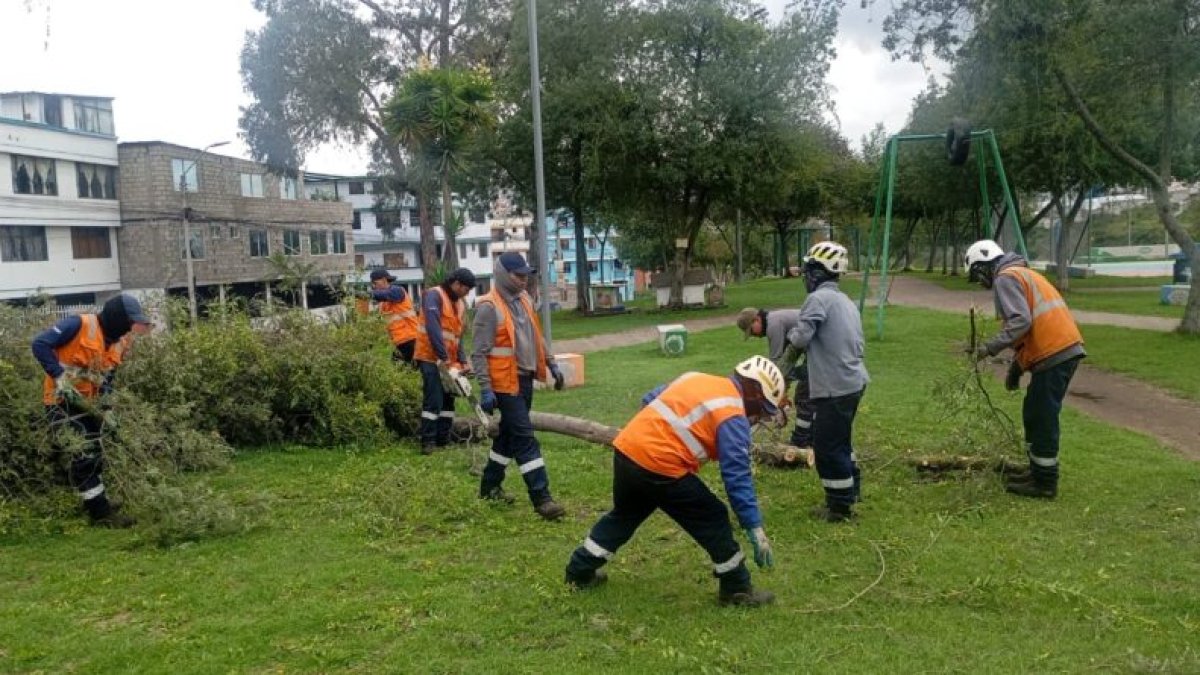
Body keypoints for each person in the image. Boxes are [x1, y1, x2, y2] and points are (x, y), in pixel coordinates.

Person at [564, 356, 786, 607]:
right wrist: (753, 526)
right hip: (660, 466)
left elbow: (650, 399)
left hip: (627, 450)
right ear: (755, 393)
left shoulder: (696, 378)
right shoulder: (732, 413)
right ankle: (737, 589)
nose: (757, 418)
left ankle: (579, 571)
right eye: (761, 410)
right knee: (712, 517)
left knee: (625, 515)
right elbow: (737, 476)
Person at [964, 239, 1085, 499]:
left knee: (1042, 416)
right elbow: (1030, 331)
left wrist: (987, 348)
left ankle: (1044, 484)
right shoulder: (1022, 273)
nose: (980, 281)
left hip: (1055, 353)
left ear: (984, 265)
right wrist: (1016, 368)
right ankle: (1036, 472)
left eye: (977, 273)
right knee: (1034, 412)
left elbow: (1020, 322)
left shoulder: (1005, 278)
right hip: (1060, 350)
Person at [31, 293, 153, 528]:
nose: (130, 327)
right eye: (129, 321)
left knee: (95, 453)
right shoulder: (79, 324)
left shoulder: (121, 342)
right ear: (117, 317)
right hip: (60, 402)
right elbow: (40, 344)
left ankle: (96, 500)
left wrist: (107, 409)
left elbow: (107, 379)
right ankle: (100, 514)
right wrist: (59, 377)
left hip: (90, 404)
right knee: (84, 454)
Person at [471, 252, 567, 521]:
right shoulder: (488, 307)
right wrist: (486, 388)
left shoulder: (525, 299)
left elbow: (536, 335)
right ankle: (542, 499)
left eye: (526, 275)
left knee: (507, 437)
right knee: (525, 438)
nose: (524, 279)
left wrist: (551, 363)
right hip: (504, 384)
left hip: (523, 379)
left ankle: (489, 487)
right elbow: (478, 353)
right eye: (518, 275)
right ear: (503, 274)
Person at [784, 242, 869, 522]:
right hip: (854, 381)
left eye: (808, 270)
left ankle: (840, 507)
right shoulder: (845, 300)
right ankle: (852, 488)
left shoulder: (818, 299)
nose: (806, 277)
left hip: (836, 385)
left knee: (826, 447)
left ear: (818, 273)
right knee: (841, 440)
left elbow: (800, 339)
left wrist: (781, 369)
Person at [413, 267, 476, 454]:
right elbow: (433, 329)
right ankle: (428, 441)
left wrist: (462, 362)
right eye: (465, 289)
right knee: (434, 399)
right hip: (430, 357)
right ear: (456, 283)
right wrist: (444, 358)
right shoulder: (434, 296)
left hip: (449, 360)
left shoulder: (460, 304)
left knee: (449, 400)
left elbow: (458, 337)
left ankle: (443, 437)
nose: (467, 293)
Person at [736, 307, 814, 449]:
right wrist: (782, 393)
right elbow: (788, 360)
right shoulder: (775, 320)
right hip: (813, 348)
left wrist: (775, 399)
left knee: (804, 393)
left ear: (757, 319)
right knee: (806, 387)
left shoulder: (774, 325)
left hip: (818, 349)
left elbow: (775, 368)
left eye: (751, 330)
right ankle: (809, 436)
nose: (753, 335)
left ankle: (802, 440)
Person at [369, 269, 418, 365]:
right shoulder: (383, 303)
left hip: (411, 339)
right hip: (400, 342)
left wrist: (368, 295)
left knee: (405, 370)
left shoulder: (397, 291)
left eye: (375, 283)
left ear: (384, 280)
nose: (374, 286)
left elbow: (383, 295)